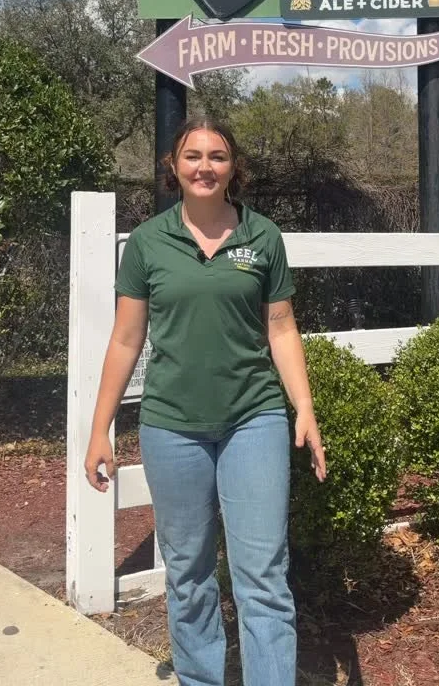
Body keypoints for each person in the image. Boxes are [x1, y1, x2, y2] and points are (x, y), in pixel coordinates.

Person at [84, 116, 326, 686]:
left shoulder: (263, 237)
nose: (205, 167)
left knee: (263, 575)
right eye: (193, 156)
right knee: (188, 572)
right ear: (174, 167)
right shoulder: (148, 242)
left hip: (253, 419)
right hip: (172, 427)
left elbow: (281, 328)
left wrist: (305, 407)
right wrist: (100, 429)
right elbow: (126, 339)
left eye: (217, 156)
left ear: (233, 167)